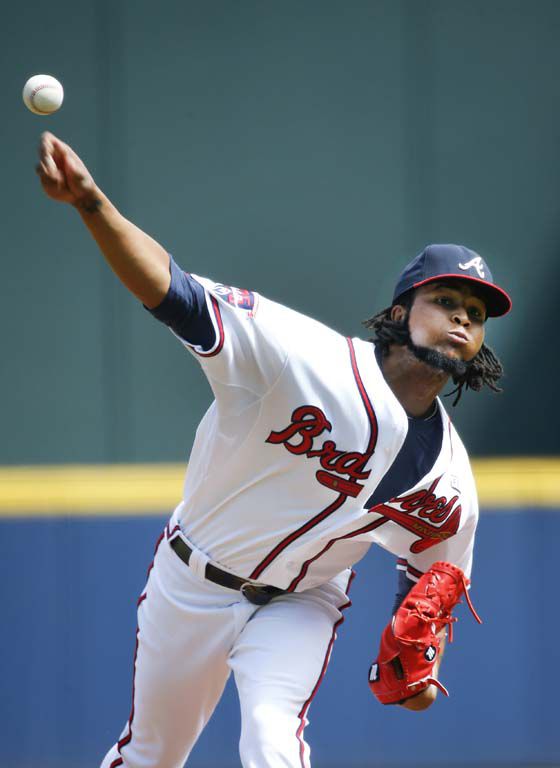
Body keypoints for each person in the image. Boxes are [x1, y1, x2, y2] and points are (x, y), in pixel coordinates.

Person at [35, 131, 511, 768]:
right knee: (151, 755)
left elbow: (434, 577)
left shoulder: (451, 480)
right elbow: (173, 293)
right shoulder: (300, 358)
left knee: (271, 741)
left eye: (475, 315)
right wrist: (93, 206)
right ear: (399, 315)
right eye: (446, 300)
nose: (461, 320)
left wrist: (420, 665)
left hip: (301, 600)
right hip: (191, 581)